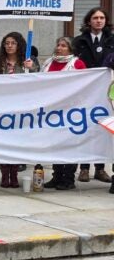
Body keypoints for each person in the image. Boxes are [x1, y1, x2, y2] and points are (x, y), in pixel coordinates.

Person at [0, 32, 39, 188]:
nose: (9, 46)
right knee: (3, 142)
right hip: (2, 108)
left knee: (17, 142)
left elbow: (40, 82)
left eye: (13, 43)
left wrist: (33, 68)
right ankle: (4, 174)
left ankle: (14, 174)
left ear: (19, 45)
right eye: (6, 43)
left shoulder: (27, 64)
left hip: (21, 108)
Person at [72, 7, 114, 184]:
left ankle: (100, 168)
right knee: (85, 127)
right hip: (85, 90)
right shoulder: (79, 41)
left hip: (105, 92)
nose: (99, 21)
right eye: (95, 18)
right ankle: (84, 168)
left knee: (102, 127)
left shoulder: (112, 40)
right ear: (89, 21)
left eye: (102, 18)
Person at [40, 36, 86, 190]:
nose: (59, 48)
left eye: (64, 46)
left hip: (70, 110)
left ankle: (68, 178)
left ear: (70, 49)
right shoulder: (48, 63)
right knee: (55, 144)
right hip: (52, 110)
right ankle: (57, 175)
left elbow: (85, 85)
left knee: (70, 144)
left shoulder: (76, 64)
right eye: (58, 45)